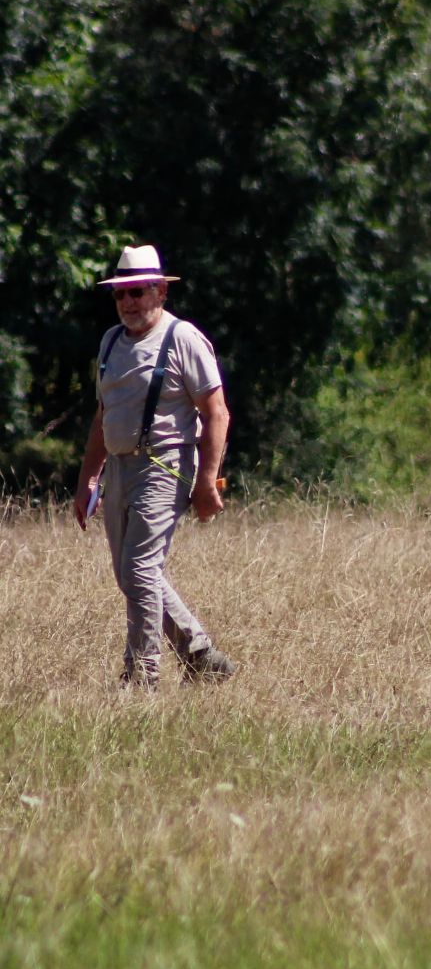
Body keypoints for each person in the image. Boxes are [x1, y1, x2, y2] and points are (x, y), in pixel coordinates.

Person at [74, 244, 236, 688]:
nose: (129, 302)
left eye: (139, 292)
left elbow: (216, 412)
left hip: (165, 466)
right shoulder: (110, 341)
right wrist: (89, 476)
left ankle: (141, 677)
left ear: (161, 292)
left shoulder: (182, 338)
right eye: (121, 294)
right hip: (119, 470)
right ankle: (200, 654)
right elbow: (103, 415)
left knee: (140, 570)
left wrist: (207, 481)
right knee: (129, 574)